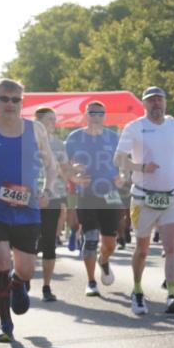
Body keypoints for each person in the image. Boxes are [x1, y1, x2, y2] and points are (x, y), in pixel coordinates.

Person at [0, 79, 57, 342]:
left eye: (15, 99)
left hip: (27, 209)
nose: (10, 104)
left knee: (27, 270)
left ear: (22, 102)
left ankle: (18, 283)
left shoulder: (35, 129)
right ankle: (5, 324)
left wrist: (47, 191)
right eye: (4, 98)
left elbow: (51, 166)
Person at [114, 86, 174, 315]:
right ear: (144, 104)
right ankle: (137, 290)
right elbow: (118, 159)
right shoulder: (135, 127)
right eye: (151, 100)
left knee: (171, 247)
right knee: (142, 249)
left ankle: (171, 295)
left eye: (159, 99)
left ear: (165, 102)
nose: (156, 103)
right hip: (143, 196)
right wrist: (141, 167)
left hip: (171, 195)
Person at [65, 100, 125, 297]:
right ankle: (91, 281)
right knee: (90, 239)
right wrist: (74, 176)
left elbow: (124, 163)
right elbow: (63, 166)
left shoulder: (113, 137)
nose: (96, 117)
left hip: (110, 194)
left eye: (100, 113)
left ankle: (104, 260)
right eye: (92, 113)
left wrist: (122, 177)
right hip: (86, 194)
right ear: (86, 115)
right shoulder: (74, 137)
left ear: (105, 116)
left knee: (110, 243)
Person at [33, 106, 70, 302]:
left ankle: (46, 287)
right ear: (38, 122)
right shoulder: (26, 141)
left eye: (54, 119)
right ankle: (22, 278)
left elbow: (64, 171)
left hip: (52, 197)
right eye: (49, 119)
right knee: (26, 241)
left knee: (49, 242)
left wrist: (74, 176)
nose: (53, 123)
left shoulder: (58, 144)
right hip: (28, 198)